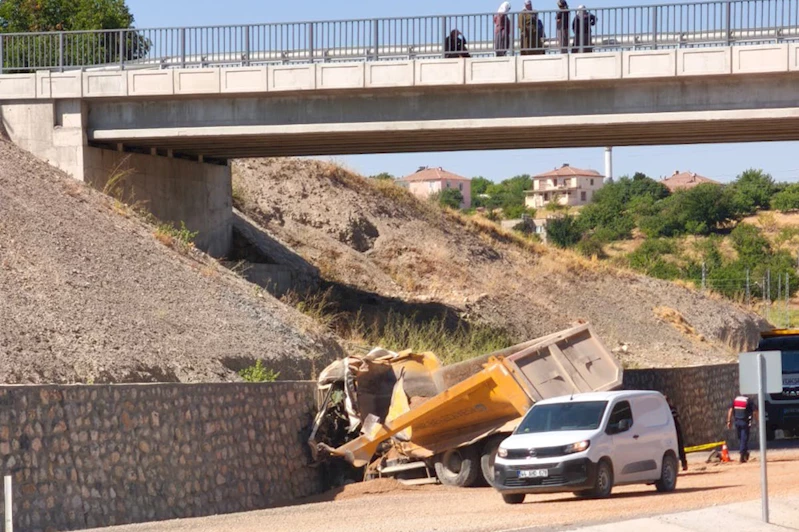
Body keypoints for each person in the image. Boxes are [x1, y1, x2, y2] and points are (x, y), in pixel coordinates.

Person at [726, 394, 758, 463]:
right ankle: (742, 454)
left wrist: (729, 421)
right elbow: (755, 411)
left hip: (737, 422)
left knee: (741, 438)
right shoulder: (749, 401)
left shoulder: (736, 400)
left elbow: (731, 410)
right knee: (744, 438)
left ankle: (745, 453)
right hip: (745, 422)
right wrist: (758, 420)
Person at [665, 396, 688, 471]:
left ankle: (684, 463)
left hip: (675, 430)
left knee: (680, 447)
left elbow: (674, 419)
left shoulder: (671, 409)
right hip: (668, 431)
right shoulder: (663, 411)